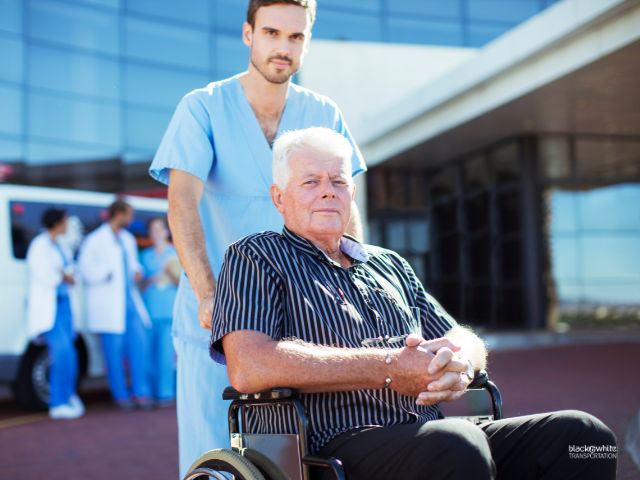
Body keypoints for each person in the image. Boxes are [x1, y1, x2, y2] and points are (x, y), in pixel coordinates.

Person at [211, 127, 617, 480]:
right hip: (331, 447)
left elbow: (461, 335)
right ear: (279, 198)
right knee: (457, 443)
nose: (327, 193)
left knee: (585, 437)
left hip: (427, 436)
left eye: (337, 181)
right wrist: (387, 369)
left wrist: (460, 363)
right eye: (310, 182)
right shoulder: (256, 256)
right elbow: (249, 366)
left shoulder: (389, 264)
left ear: (352, 192)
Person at [149, 0, 366, 474]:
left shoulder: (323, 113)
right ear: (249, 34)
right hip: (216, 319)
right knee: (214, 457)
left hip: (305, 314)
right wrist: (209, 295)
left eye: (296, 37)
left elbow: (343, 211)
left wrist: (359, 292)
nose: (282, 48)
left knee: (305, 454)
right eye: (271, 33)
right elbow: (182, 202)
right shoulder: (203, 107)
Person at [78, 200, 153, 410]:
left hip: (130, 302)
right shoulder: (94, 240)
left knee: (139, 347)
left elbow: (133, 264)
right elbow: (85, 268)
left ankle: (141, 393)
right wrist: (105, 274)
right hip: (109, 305)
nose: (131, 220)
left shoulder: (127, 239)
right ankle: (121, 396)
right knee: (113, 354)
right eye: (129, 215)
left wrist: (138, 271)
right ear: (118, 214)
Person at [26, 208, 84, 420]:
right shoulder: (39, 246)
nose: (68, 224)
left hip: (65, 306)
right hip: (51, 309)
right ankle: (57, 402)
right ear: (57, 222)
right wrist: (63, 274)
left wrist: (64, 274)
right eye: (65, 220)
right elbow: (47, 276)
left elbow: (71, 272)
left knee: (71, 353)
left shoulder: (60, 245)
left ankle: (68, 396)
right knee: (61, 352)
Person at [140, 217, 179, 406]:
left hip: (168, 310)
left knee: (166, 355)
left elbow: (182, 281)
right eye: (152, 230)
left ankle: (165, 393)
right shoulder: (145, 256)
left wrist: (169, 271)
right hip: (148, 311)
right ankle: (150, 391)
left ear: (166, 231)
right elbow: (139, 283)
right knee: (148, 354)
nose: (156, 233)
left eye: (159, 229)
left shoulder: (175, 252)